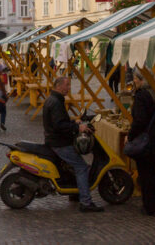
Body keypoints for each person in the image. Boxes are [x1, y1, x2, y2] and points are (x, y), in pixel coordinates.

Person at [43, 76, 103, 212]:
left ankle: (74, 194)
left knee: (72, 166)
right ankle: (86, 202)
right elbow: (59, 125)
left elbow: (58, 121)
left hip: (54, 140)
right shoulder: (56, 102)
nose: (69, 88)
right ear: (59, 86)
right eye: (67, 85)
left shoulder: (53, 99)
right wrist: (77, 128)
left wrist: (73, 122)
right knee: (81, 167)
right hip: (59, 143)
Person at [128, 69, 155, 216]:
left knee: (145, 173)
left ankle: (150, 206)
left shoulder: (141, 96)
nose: (134, 82)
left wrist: (131, 135)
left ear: (141, 80)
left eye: (135, 79)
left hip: (145, 140)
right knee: (152, 171)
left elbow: (139, 120)